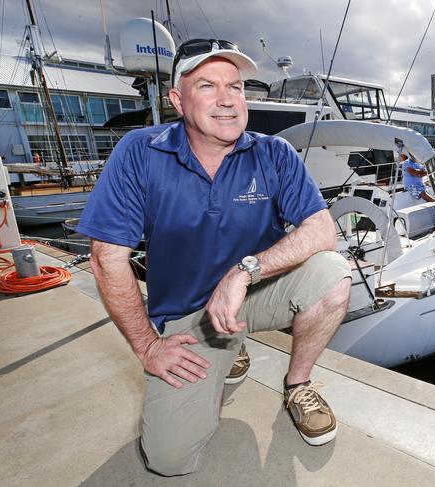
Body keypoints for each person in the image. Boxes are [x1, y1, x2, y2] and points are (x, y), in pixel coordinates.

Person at [77, 38, 352, 477]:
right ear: (177, 100)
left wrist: (245, 272)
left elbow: (322, 231)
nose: (227, 101)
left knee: (333, 275)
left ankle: (297, 383)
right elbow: (106, 258)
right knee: (169, 461)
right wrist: (148, 346)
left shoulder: (273, 153)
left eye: (236, 86)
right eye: (207, 85)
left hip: (253, 293)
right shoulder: (139, 152)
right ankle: (228, 349)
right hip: (187, 319)